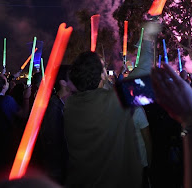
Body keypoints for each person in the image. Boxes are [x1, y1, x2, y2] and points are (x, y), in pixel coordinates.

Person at [63, 20, 160, 188]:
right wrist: (147, 36)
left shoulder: (69, 105)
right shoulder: (114, 102)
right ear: (102, 76)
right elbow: (145, 70)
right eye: (103, 67)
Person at [33, 64, 75, 185]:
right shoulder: (53, 106)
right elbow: (52, 138)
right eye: (72, 76)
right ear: (63, 82)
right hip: (58, 167)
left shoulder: (71, 102)